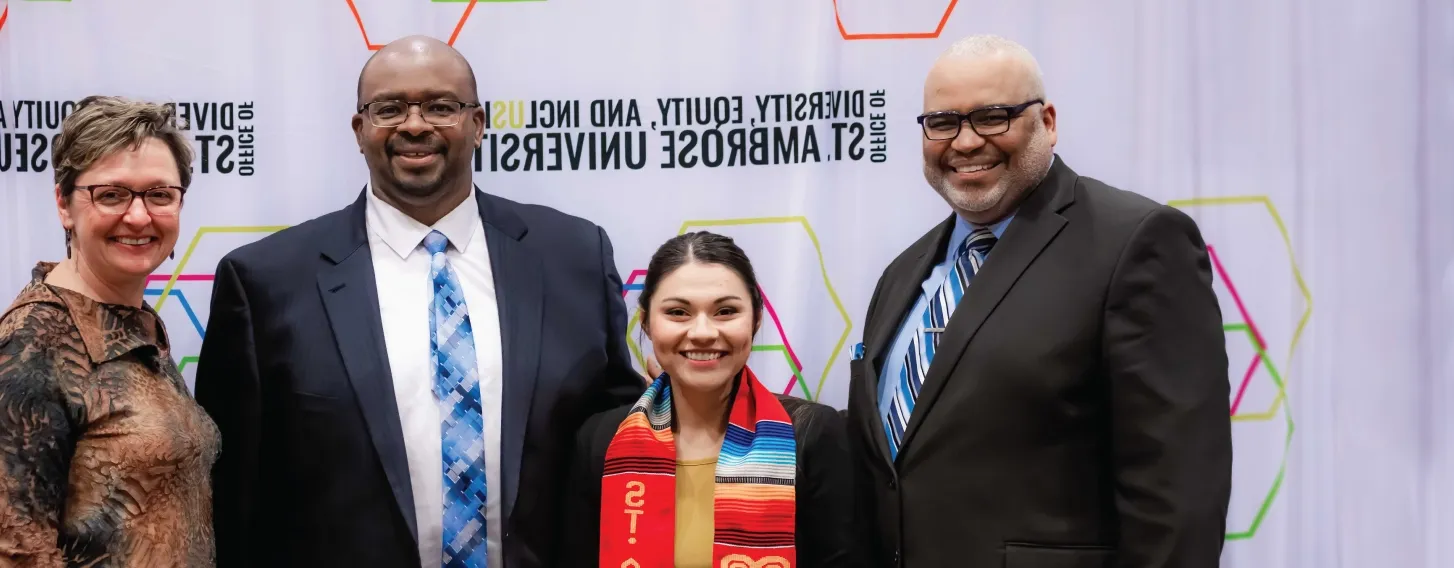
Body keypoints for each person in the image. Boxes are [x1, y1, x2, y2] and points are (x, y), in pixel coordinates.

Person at [193, 36, 644, 568]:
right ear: (359, 131)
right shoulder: (265, 281)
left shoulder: (573, 256)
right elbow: (235, 497)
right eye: (388, 108)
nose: (413, 125)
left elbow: (615, 441)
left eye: (440, 106)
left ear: (478, 123)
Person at [845, 35, 1233, 567]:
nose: (964, 142)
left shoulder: (1135, 243)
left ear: (1047, 122)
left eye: (992, 116)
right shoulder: (902, 274)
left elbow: (1178, 494)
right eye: (943, 123)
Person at [0, 96, 218, 566]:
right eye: (112, 194)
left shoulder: (130, 322)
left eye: (159, 194)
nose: (139, 216)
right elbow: (15, 553)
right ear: (64, 203)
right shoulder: (34, 342)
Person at [560, 232, 862, 568]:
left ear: (756, 320)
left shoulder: (810, 435)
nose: (703, 332)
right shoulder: (601, 440)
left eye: (725, 311)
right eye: (678, 312)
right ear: (645, 323)